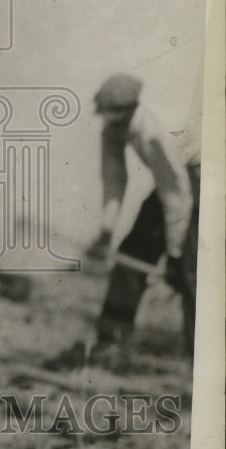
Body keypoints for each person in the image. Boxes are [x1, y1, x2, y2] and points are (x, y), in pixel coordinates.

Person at [49, 74, 198, 368]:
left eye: (117, 120)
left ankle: (204, 358)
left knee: (191, 272)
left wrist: (176, 252)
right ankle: (111, 341)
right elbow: (114, 178)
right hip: (173, 186)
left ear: (130, 111)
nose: (111, 126)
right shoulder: (113, 128)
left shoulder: (155, 130)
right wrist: (106, 231)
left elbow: (178, 194)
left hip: (201, 182)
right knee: (132, 251)